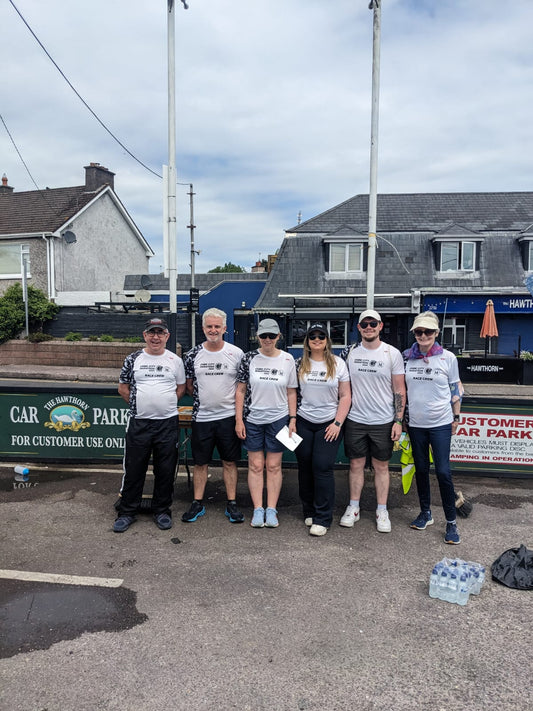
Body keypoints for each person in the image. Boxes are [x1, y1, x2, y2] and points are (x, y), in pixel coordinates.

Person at [114, 317, 186, 533]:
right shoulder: (133, 358)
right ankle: (127, 512)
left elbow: (181, 388)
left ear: (167, 336)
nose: (156, 337)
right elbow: (123, 388)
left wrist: (165, 404)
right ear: (144, 335)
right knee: (135, 469)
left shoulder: (175, 360)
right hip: (139, 423)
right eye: (151, 333)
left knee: (165, 470)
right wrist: (141, 406)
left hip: (167, 423)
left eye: (160, 333)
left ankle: (162, 510)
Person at [339, 309, 405, 532]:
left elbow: (399, 389)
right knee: (356, 464)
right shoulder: (349, 353)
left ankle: (382, 510)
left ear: (380, 326)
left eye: (373, 323)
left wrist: (398, 421)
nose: (369, 327)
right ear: (358, 328)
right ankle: (354, 507)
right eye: (364, 324)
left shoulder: (392, 353)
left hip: (383, 420)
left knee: (381, 466)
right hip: (355, 419)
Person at [403, 311, 464, 544]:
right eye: (419, 331)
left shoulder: (448, 358)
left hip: (440, 423)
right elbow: (402, 391)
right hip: (415, 425)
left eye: (428, 331)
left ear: (437, 333)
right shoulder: (407, 357)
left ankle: (451, 522)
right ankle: (425, 512)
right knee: (420, 469)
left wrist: (456, 417)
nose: (423, 335)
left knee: (443, 472)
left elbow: (455, 390)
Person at [182, 308, 245, 524]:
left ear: (225, 329)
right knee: (201, 463)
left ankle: (232, 504)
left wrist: (237, 417)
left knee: (229, 462)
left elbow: (242, 386)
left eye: (217, 326)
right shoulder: (192, 355)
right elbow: (189, 386)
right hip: (202, 418)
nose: (213, 330)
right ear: (203, 328)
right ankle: (197, 502)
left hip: (228, 417)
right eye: (209, 326)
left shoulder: (237, 354)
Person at [235, 318, 298, 528]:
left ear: (279, 336)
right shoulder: (248, 358)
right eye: (264, 336)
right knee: (255, 465)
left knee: (273, 465)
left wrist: (292, 419)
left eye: (272, 336)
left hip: (278, 418)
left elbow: (291, 392)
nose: (268, 340)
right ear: (258, 337)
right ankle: (257, 509)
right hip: (253, 418)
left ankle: (271, 509)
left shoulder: (288, 360)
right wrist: (238, 420)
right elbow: (241, 390)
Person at [295, 322, 351, 536]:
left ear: (327, 340)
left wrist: (337, 423)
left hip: (329, 422)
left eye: (321, 336)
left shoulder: (338, 364)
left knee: (322, 466)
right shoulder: (299, 363)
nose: (317, 340)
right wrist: (292, 420)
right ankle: (308, 510)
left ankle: (323, 517)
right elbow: (292, 393)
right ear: (307, 341)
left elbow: (345, 396)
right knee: (305, 466)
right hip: (303, 421)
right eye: (312, 336)